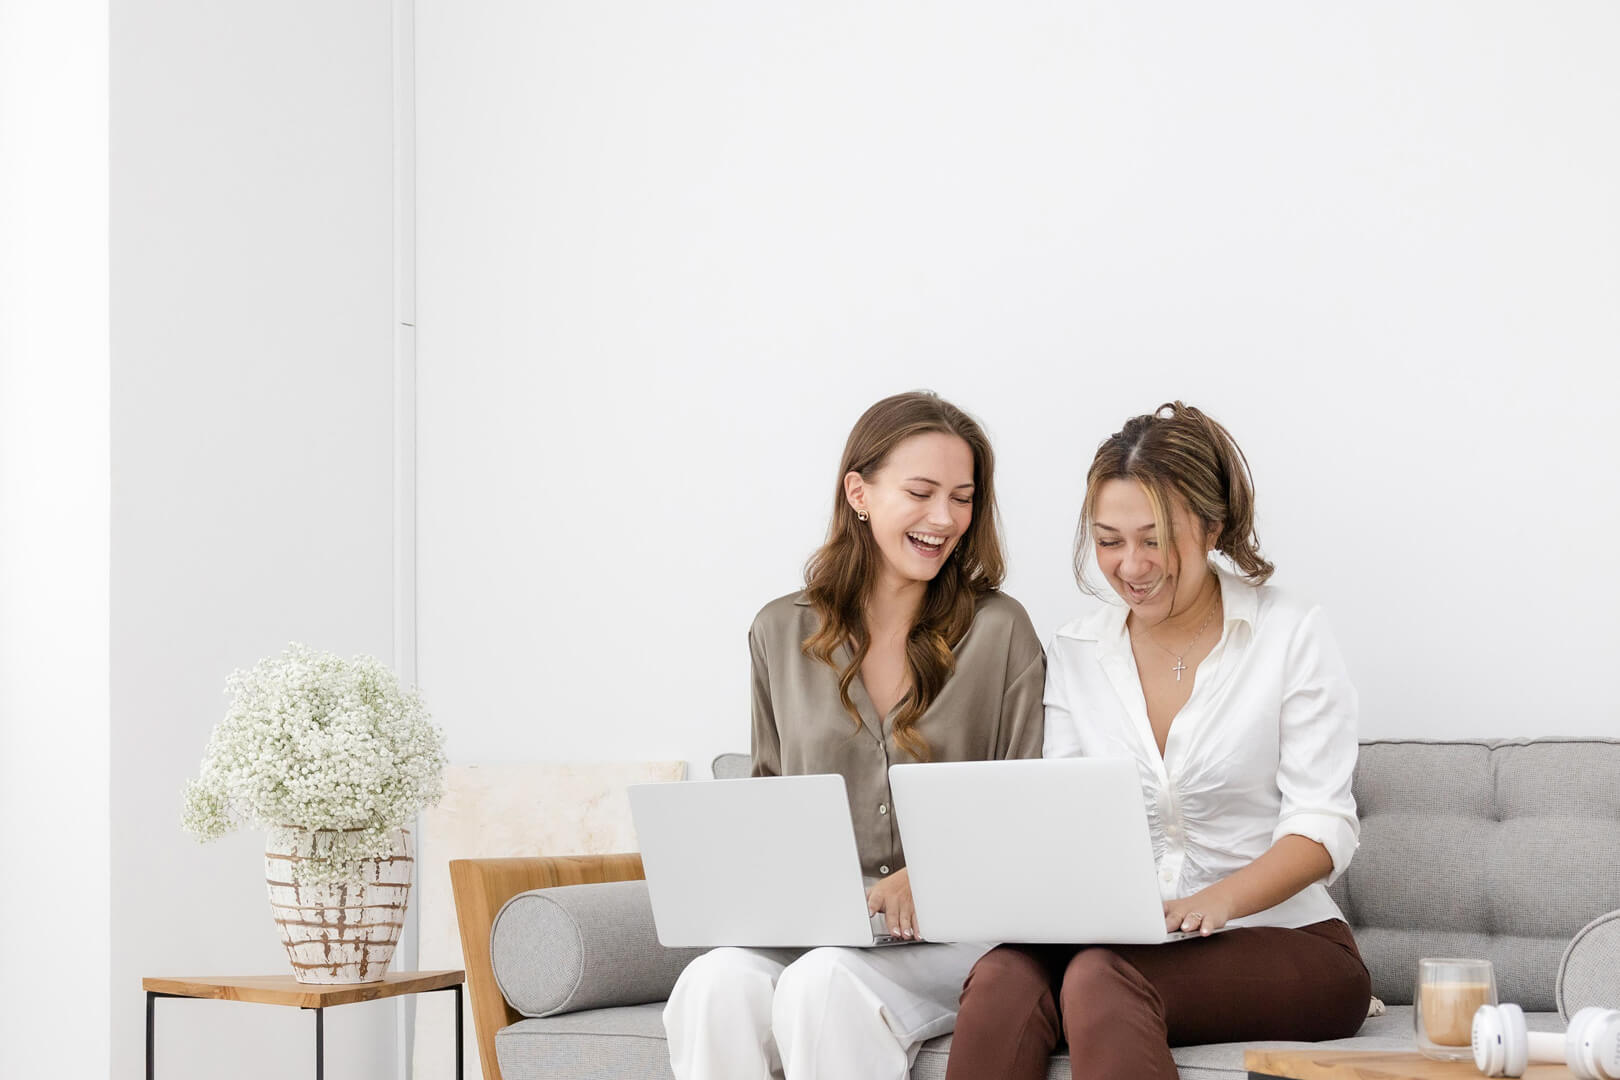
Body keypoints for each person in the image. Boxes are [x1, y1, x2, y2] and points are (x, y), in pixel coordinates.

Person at [945, 402, 1371, 1080]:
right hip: (1121, 938)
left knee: (1100, 978)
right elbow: (1065, 813)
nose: (1132, 565)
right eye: (1109, 540)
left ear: (1212, 526)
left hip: (1286, 941)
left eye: (1155, 539)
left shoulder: (1289, 633)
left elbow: (1322, 827)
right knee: (1000, 977)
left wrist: (1216, 902)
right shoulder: (1078, 650)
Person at [663, 391, 1045, 1080]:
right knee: (711, 984)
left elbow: (1028, 807)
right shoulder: (779, 631)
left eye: (962, 498)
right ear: (859, 492)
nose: (944, 518)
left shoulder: (1001, 631)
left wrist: (928, 873)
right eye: (922, 492)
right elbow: (768, 799)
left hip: (954, 934)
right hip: (817, 925)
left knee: (824, 984)